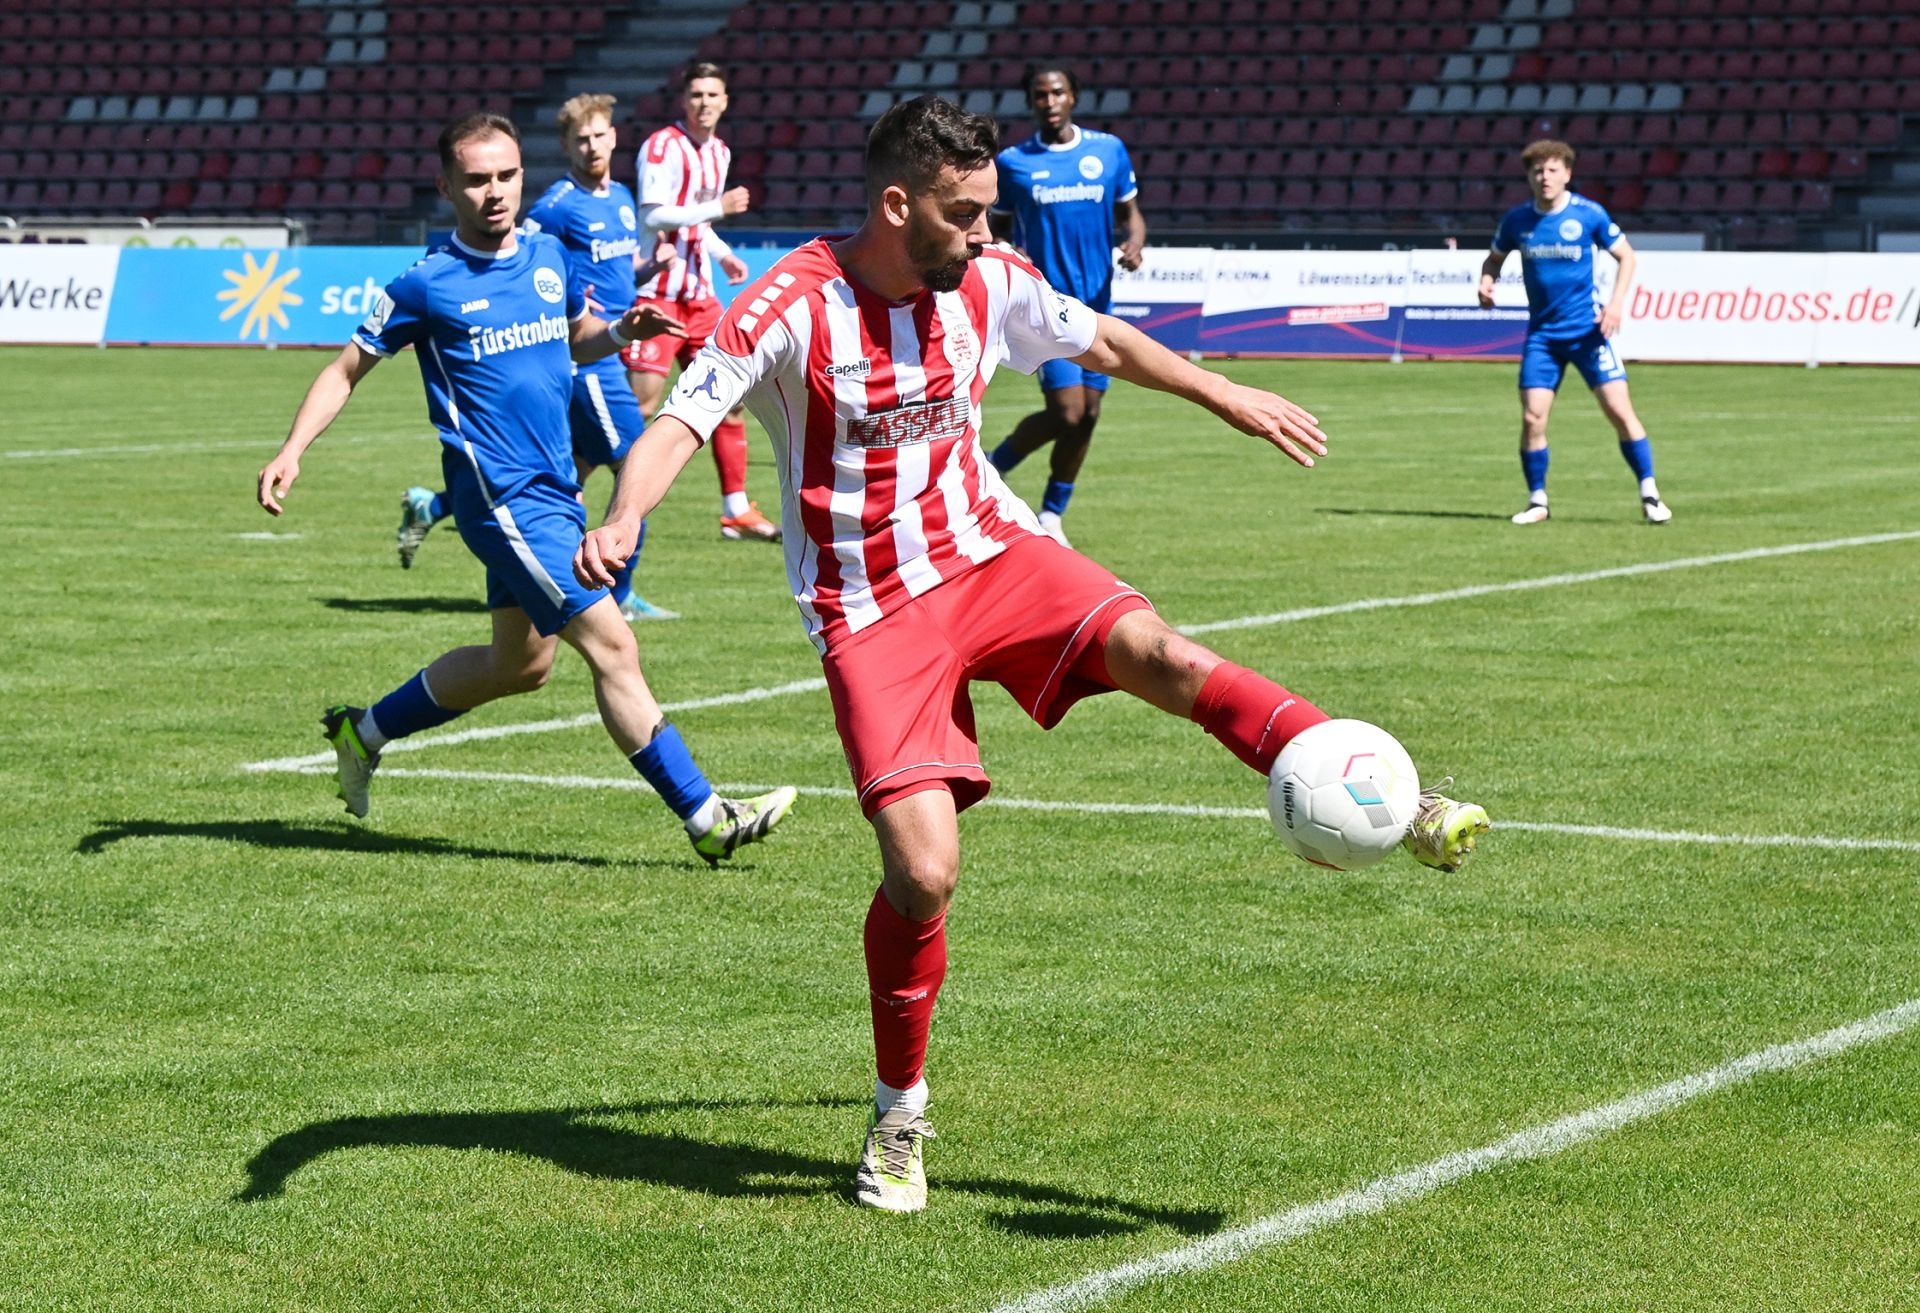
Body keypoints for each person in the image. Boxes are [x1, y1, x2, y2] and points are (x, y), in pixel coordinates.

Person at [574, 96, 1490, 1212]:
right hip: (871, 607)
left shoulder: (989, 278)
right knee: (923, 873)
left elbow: (1098, 337)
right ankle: (898, 1113)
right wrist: (625, 515)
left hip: (992, 552)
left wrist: (1222, 392)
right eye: (963, 213)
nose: (983, 232)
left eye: (987, 211)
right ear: (897, 204)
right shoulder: (789, 304)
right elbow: (679, 420)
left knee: (1164, 652)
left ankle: (1383, 786)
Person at [257, 110, 797, 865]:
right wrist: (293, 449)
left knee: (519, 666)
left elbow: (574, 336)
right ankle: (708, 817)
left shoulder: (548, 255)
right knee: (614, 644)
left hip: (555, 492)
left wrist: (621, 333)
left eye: (506, 175)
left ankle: (363, 730)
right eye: (476, 179)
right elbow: (347, 368)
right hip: (501, 500)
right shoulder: (426, 284)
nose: (495, 192)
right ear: (446, 186)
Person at [984, 64, 1146, 548]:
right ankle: (993, 465)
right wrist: (1007, 252)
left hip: (1099, 305)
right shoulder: (1014, 163)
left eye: (1058, 92)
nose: (1049, 101)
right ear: (1031, 102)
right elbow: (997, 228)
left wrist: (1134, 243)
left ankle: (1052, 513)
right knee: (1069, 412)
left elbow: (1130, 214)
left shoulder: (1108, 151)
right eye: (1040, 95)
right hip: (1044, 306)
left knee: (1089, 414)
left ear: (1073, 96)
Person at [1478, 139, 1672, 525]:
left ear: (1567, 174)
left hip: (1588, 334)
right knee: (1533, 419)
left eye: (1552, 170)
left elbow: (1627, 256)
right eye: (1537, 171)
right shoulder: (1517, 221)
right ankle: (1537, 501)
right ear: (1528, 177)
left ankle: (1650, 494)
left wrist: (1615, 305)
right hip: (1543, 338)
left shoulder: (1589, 215)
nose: (1544, 177)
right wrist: (1486, 281)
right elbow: (1494, 258)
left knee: (1619, 412)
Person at [626, 61, 781, 543]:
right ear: (684, 100)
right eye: (696, 94)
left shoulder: (720, 152)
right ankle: (578, 490)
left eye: (713, 94)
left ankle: (736, 510)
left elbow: (698, 225)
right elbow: (653, 216)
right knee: (640, 406)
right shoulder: (661, 146)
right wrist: (719, 207)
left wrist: (723, 253)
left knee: (729, 400)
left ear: (725, 101)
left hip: (700, 297)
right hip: (658, 295)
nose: (705, 102)